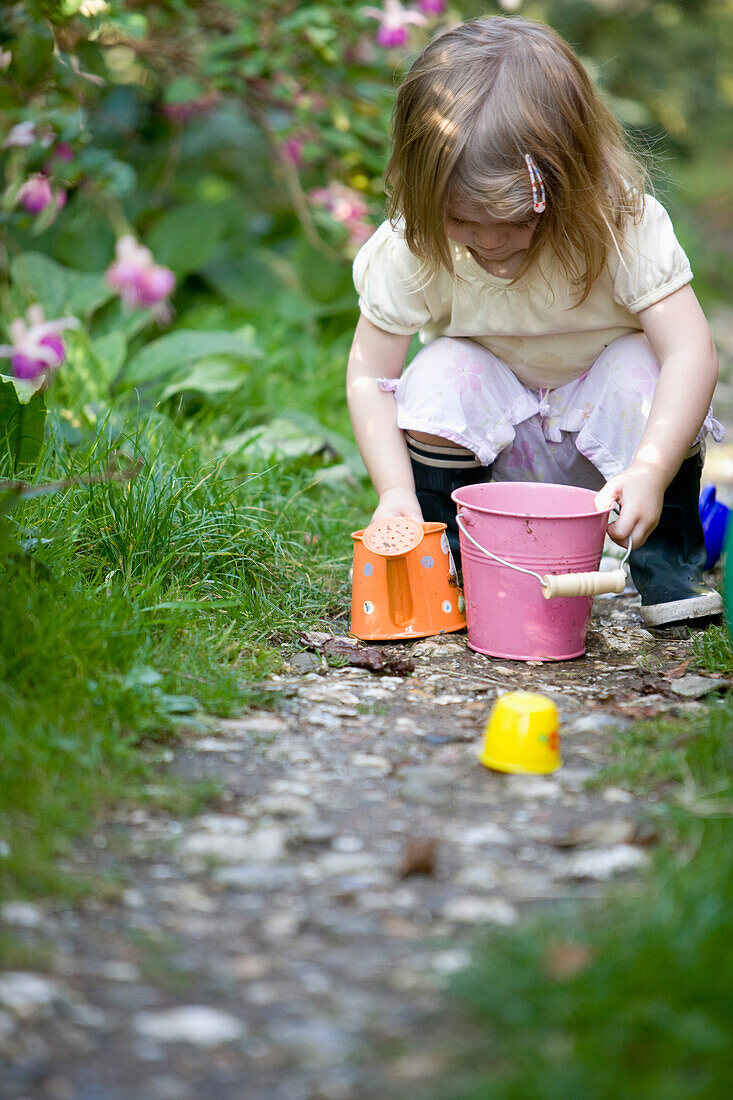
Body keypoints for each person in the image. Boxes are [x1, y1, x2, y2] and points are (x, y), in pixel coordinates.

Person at [346, 14, 724, 630]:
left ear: (570, 180)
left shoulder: (618, 223)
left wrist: (651, 468)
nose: (490, 243)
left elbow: (690, 351)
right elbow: (369, 377)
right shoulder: (411, 246)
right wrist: (396, 493)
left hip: (611, 462)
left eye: (518, 223)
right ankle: (452, 556)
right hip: (493, 452)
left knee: (642, 368)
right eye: (462, 222)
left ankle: (664, 565)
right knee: (441, 371)